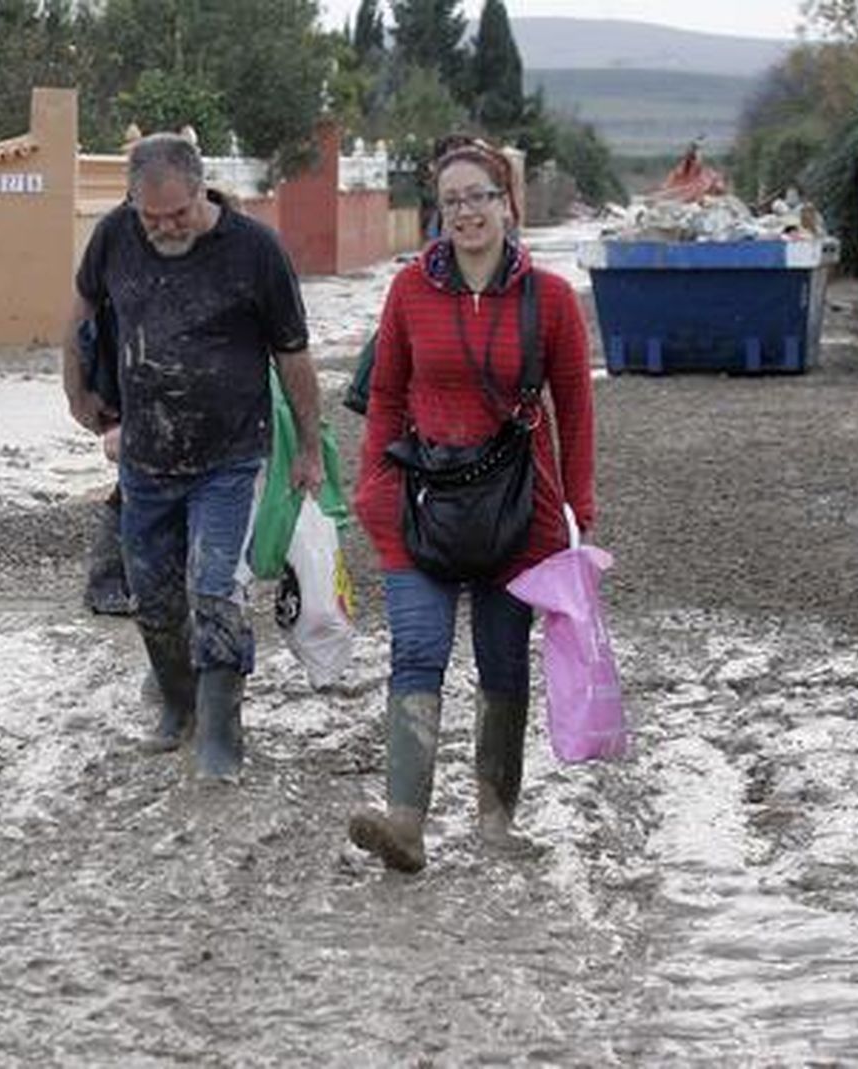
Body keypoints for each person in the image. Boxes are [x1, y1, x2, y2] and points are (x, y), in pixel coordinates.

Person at [348, 139, 596, 870]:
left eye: (479, 197)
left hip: (519, 512)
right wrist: (374, 493)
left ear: (506, 203)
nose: (465, 212)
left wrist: (576, 512)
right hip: (420, 504)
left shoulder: (549, 298)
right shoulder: (408, 291)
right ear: (440, 212)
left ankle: (496, 822)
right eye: (451, 200)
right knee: (417, 651)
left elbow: (575, 409)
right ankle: (404, 823)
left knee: (501, 662)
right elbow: (386, 395)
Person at [63, 132, 323, 781]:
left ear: (201, 189)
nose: (164, 229)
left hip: (230, 456)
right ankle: (177, 706)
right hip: (146, 456)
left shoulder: (255, 251)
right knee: (152, 595)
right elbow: (80, 314)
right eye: (151, 218)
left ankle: (221, 731)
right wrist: (77, 393)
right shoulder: (114, 237)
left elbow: (294, 353)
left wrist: (311, 449)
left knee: (215, 589)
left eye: (176, 215)